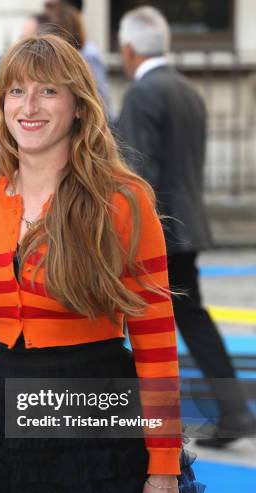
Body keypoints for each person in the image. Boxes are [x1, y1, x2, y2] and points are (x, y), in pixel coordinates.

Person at [0, 34, 234, 493]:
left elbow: (155, 344)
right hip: (1, 435)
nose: (29, 107)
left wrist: (162, 469)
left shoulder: (124, 201)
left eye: (48, 91)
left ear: (79, 104)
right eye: (16, 92)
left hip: (96, 427)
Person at [117, 5, 256, 449]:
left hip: (156, 231)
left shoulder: (142, 95)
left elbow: (137, 170)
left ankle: (145, 418)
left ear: (129, 49)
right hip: (186, 226)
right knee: (191, 318)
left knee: (136, 321)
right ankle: (233, 410)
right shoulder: (188, 89)